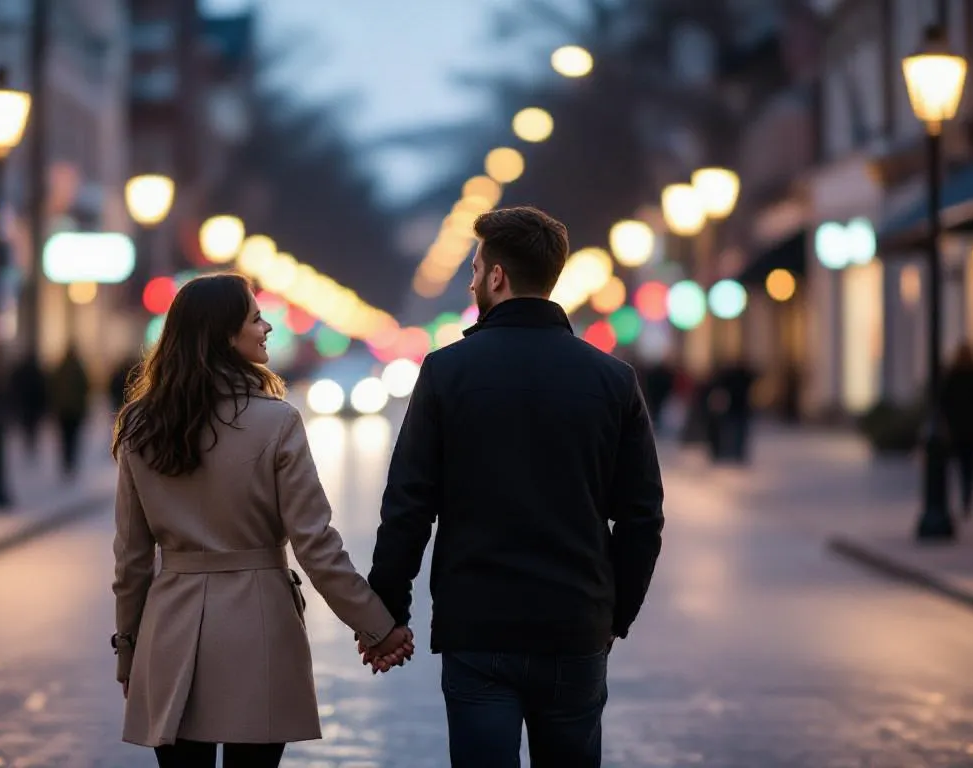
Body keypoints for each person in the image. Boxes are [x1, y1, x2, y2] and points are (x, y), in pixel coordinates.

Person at [365, 207, 666, 768]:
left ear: (498, 276)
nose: (473, 280)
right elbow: (643, 515)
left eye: (476, 269)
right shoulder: (612, 380)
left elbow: (408, 504)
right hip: (574, 624)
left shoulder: (446, 373)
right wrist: (614, 613)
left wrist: (385, 614)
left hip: (478, 626)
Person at [110, 273, 413, 768]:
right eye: (255, 318)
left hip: (170, 633)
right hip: (260, 626)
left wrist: (128, 650)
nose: (267, 326)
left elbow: (131, 560)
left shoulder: (142, 425)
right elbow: (315, 544)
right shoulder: (276, 422)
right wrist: (377, 625)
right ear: (225, 334)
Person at [940, 343, 973, 516]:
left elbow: (944, 402)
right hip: (970, 429)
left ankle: (963, 498)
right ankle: (966, 498)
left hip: (959, 429)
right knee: (967, 466)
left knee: (961, 465)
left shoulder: (954, 377)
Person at [50, 345, 90, 477]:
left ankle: (66, 460)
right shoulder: (79, 369)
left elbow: (53, 387)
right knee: (73, 436)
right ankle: (71, 460)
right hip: (75, 409)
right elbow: (85, 388)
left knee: (65, 437)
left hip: (63, 409)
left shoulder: (60, 368)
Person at [10, 351, 48, 462]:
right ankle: (30, 444)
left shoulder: (23, 371)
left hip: (26, 404)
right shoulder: (37, 372)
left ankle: (29, 444)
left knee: (28, 425)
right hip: (33, 404)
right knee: (32, 426)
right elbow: (42, 390)